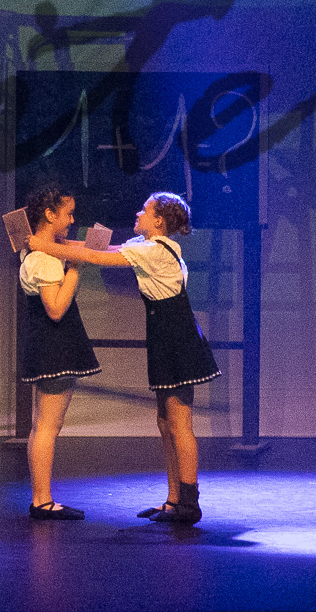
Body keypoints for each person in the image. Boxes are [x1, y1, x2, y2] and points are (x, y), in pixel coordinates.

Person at [28, 191, 219, 524]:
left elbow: (97, 258)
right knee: (166, 424)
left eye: (145, 210)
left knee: (179, 424)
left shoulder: (153, 251)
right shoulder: (145, 246)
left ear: (159, 221)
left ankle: (189, 503)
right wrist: (52, 244)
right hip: (165, 338)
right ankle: (174, 499)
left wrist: (41, 245)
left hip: (178, 340)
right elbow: (105, 249)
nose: (138, 213)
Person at [19, 184, 101, 521]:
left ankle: (41, 498)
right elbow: (55, 308)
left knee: (43, 425)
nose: (71, 220)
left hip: (48, 346)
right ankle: (43, 501)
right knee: (48, 426)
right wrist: (76, 268)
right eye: (67, 214)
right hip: (55, 346)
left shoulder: (38, 254)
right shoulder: (46, 261)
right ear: (50, 214)